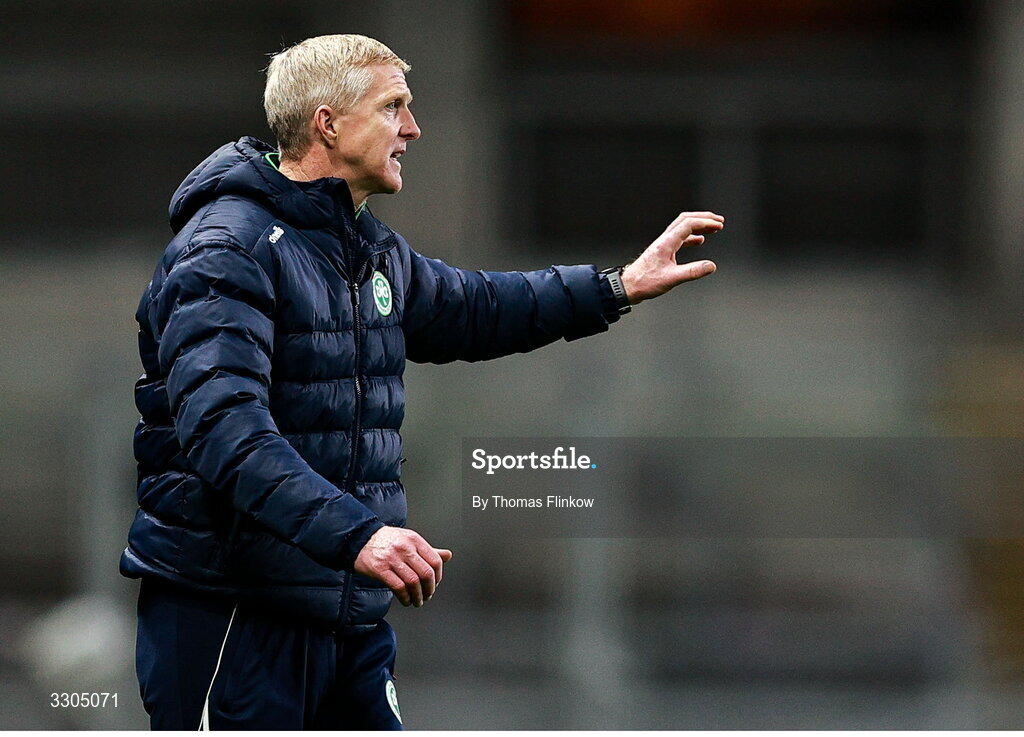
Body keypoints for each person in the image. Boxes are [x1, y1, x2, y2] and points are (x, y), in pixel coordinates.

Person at [119, 34, 725, 730]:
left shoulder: (365, 245)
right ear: (327, 123)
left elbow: (473, 307)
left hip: (346, 612)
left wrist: (615, 287)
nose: (412, 128)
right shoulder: (227, 250)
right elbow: (226, 434)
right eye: (393, 107)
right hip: (234, 613)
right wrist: (360, 535)